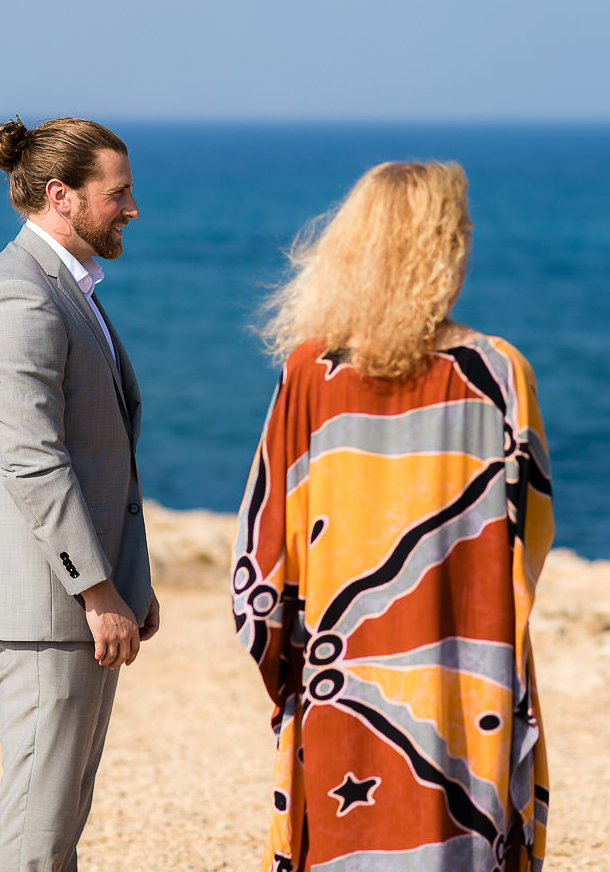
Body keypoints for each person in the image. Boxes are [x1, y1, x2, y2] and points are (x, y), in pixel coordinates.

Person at [231, 161, 553, 871]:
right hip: (468, 679)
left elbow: (262, 553)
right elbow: (529, 534)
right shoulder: (497, 373)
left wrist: (294, 674)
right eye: (460, 234)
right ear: (440, 251)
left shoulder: (308, 372)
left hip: (338, 682)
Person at [0, 116, 159, 870]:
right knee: (39, 822)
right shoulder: (20, 298)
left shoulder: (66, 290)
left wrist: (129, 581)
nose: (133, 208)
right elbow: (34, 463)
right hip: (50, 599)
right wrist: (99, 590)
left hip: (76, 594)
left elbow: (99, 453)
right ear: (60, 195)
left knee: (63, 808)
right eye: (120, 193)